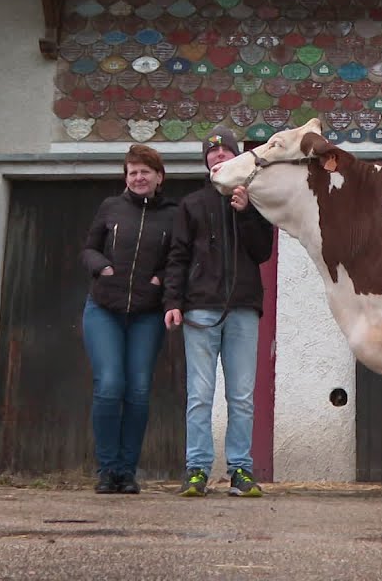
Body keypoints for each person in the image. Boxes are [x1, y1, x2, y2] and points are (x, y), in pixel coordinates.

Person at [164, 126, 275, 498]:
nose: (218, 157)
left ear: (235, 156)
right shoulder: (192, 204)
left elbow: (263, 253)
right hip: (200, 309)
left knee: (241, 396)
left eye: (224, 151)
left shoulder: (254, 201)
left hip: (243, 308)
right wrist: (173, 302)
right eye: (211, 153)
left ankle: (240, 471)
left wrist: (244, 213)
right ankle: (196, 470)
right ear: (206, 161)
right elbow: (177, 256)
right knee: (200, 394)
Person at [80, 144, 177, 494]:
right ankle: (107, 470)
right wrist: (101, 266)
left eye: (145, 172)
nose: (138, 177)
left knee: (137, 390)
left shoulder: (173, 214)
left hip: (146, 315)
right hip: (104, 309)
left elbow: (178, 258)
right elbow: (89, 247)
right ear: (126, 177)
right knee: (109, 385)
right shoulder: (111, 207)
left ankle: (127, 471)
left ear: (159, 177)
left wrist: (161, 278)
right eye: (132, 172)